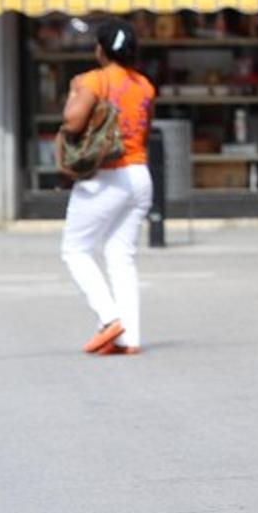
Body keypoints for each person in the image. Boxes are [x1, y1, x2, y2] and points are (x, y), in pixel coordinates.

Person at [59, 18, 156, 356]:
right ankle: (130, 338)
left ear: (100, 49)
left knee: (75, 249)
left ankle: (109, 318)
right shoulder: (144, 85)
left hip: (105, 176)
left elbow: (72, 122)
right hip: (139, 174)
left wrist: (73, 93)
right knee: (121, 255)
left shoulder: (92, 81)